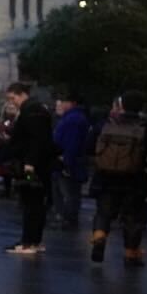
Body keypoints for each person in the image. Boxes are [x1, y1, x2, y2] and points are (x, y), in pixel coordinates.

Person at [90, 92, 147, 268]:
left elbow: (89, 146)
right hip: (135, 179)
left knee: (104, 211)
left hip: (106, 177)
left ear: (121, 105)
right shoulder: (146, 127)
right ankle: (131, 253)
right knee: (133, 216)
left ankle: (100, 235)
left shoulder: (106, 124)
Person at [1, 83, 57, 254]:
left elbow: (35, 139)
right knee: (36, 203)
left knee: (31, 203)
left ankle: (28, 241)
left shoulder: (31, 111)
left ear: (22, 95)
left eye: (13, 98)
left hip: (32, 164)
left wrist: (29, 163)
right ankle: (34, 241)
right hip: (40, 163)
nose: (12, 102)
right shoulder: (38, 109)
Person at [52, 91, 92, 231]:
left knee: (68, 193)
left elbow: (71, 143)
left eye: (64, 102)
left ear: (72, 103)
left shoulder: (73, 119)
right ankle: (66, 218)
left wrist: (66, 161)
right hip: (64, 161)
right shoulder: (72, 117)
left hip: (66, 162)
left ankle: (67, 219)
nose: (62, 104)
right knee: (66, 193)